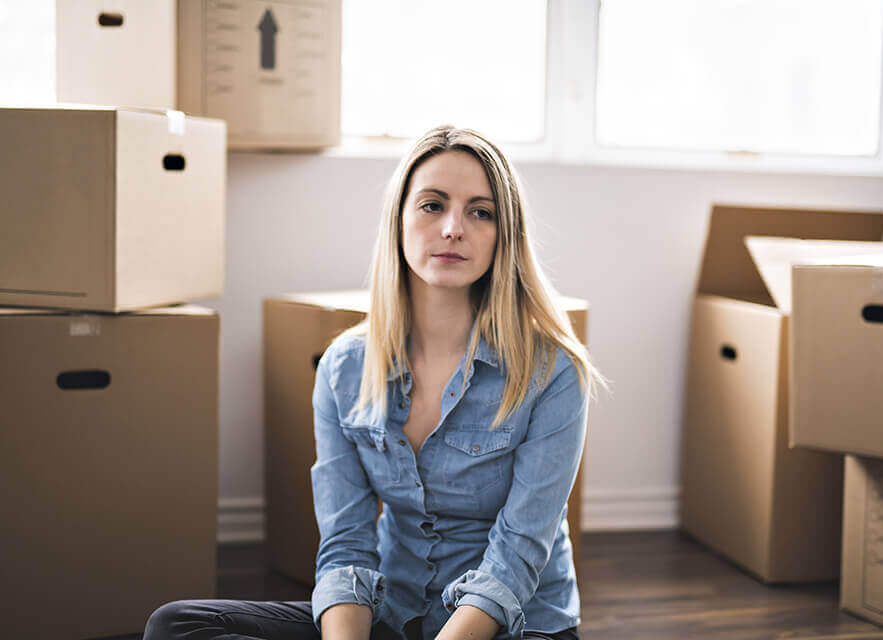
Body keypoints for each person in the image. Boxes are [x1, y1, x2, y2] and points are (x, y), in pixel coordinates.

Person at [143, 126, 604, 640]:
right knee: (177, 626)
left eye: (481, 212)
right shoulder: (344, 367)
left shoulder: (554, 370)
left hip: (509, 625)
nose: (454, 227)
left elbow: (518, 554)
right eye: (433, 205)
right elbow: (346, 541)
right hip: (396, 614)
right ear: (399, 220)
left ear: (505, 235)